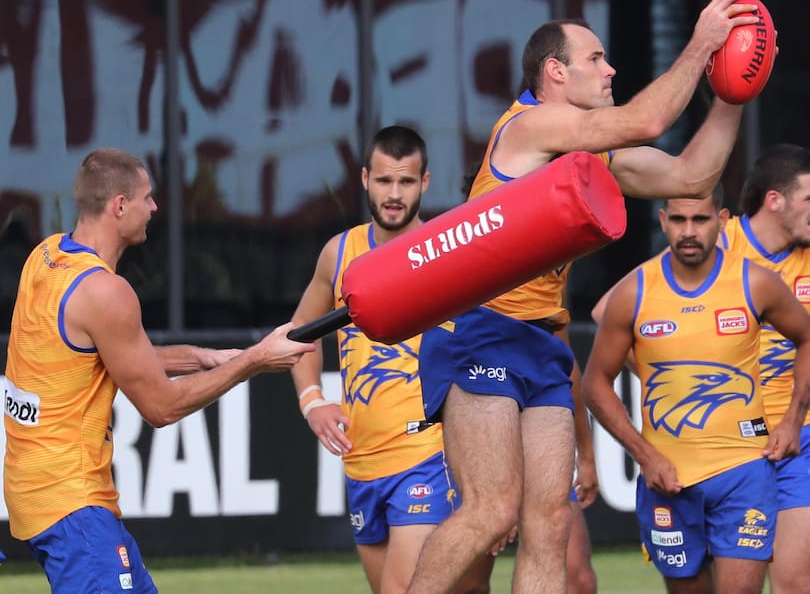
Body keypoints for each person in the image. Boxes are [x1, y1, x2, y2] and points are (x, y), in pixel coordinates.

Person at [409, 0, 761, 592]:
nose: (611, 69)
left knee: (550, 522)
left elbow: (689, 176)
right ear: (555, 72)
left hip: (542, 340)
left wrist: (733, 92)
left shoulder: (590, 149)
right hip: (480, 331)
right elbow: (646, 120)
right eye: (596, 60)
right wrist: (703, 44)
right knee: (493, 511)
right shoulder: (529, 125)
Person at [2, 147, 315, 593]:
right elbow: (160, 407)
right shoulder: (107, 292)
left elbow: (110, 356)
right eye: (147, 198)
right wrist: (254, 361)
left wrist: (210, 356)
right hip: (72, 505)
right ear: (119, 206)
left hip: (33, 492)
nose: (155, 208)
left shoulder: (46, 255)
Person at [290, 126, 494, 594]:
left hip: (429, 456)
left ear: (425, 182)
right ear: (365, 179)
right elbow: (297, 336)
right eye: (384, 181)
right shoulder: (338, 254)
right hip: (362, 463)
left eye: (406, 182)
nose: (395, 194)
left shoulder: (450, 249)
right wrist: (311, 400)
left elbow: (490, 354)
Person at [581, 188, 810, 593]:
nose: (689, 231)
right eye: (680, 220)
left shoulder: (755, 283)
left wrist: (792, 419)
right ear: (663, 221)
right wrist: (646, 456)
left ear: (722, 221)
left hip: (745, 471)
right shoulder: (635, 293)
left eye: (700, 220)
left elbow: (806, 335)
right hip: (667, 478)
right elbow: (594, 383)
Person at [717, 144, 810, 594]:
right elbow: (627, 319)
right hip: (725, 445)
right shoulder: (717, 244)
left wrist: (793, 420)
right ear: (776, 200)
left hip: (800, 439)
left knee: (794, 579)